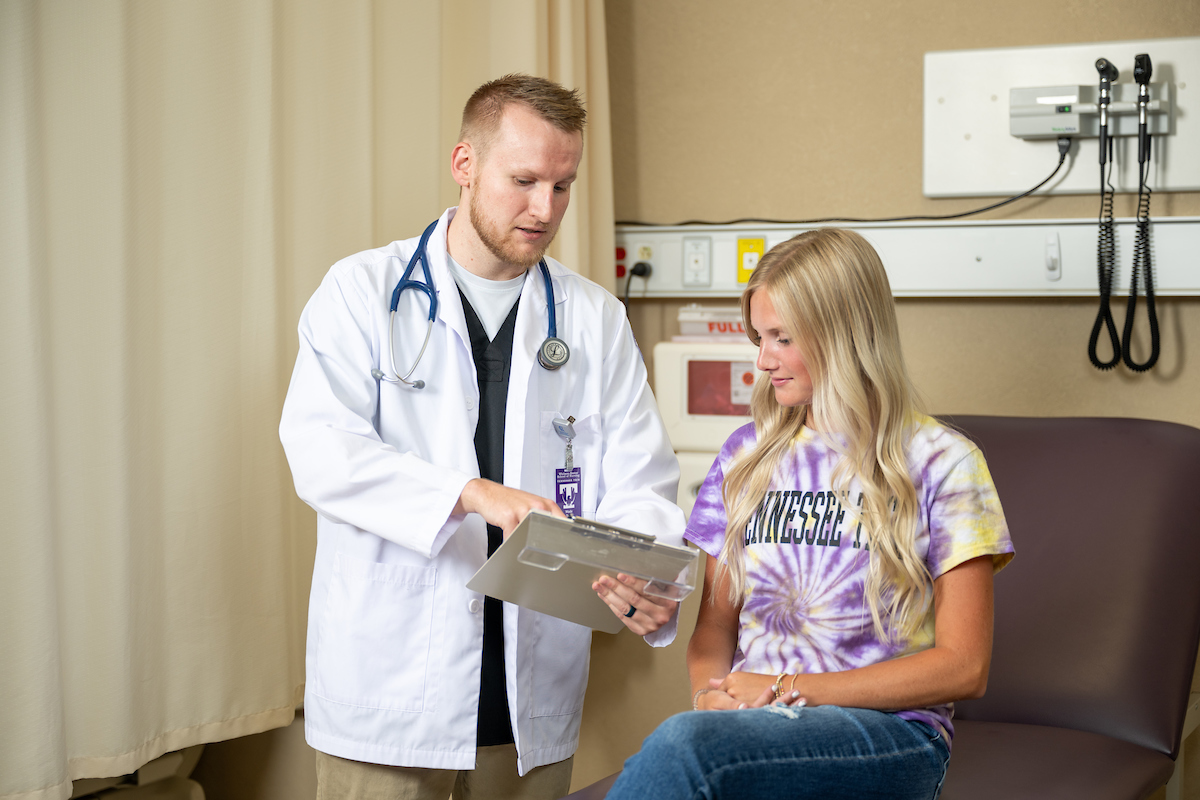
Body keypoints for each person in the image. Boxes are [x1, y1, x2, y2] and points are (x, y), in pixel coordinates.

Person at [279, 74, 685, 800]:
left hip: (527, 697)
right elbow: (320, 450)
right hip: (390, 692)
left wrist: (638, 572)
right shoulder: (361, 293)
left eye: (563, 186)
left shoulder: (592, 320)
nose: (545, 209)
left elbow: (642, 482)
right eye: (524, 180)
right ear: (465, 164)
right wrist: (469, 494)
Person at [606, 229, 1014, 800]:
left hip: (890, 735)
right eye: (759, 336)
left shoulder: (942, 462)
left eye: (782, 338)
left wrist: (781, 688)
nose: (762, 359)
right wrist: (710, 700)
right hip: (754, 726)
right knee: (691, 742)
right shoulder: (745, 457)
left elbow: (964, 667)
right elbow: (715, 630)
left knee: (686, 752)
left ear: (843, 335)